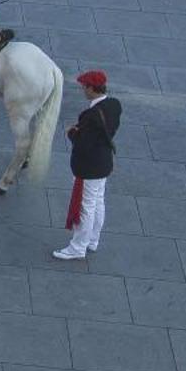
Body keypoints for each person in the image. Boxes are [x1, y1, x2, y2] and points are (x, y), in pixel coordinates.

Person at [55, 69, 121, 260]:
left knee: (86, 207)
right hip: (104, 163)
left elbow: (83, 144)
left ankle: (78, 247)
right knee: (98, 202)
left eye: (84, 87)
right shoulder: (114, 105)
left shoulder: (90, 115)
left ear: (92, 89)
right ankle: (93, 240)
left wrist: (72, 133)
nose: (83, 90)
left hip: (90, 167)